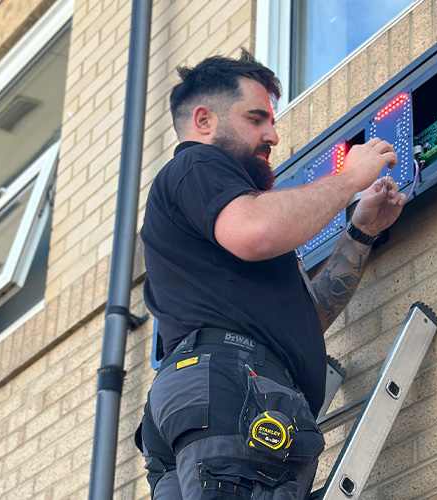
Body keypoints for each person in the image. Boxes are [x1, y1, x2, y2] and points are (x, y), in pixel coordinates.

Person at [137, 50, 405, 500]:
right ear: (204, 120)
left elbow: (303, 321)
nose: (273, 135)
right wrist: (348, 179)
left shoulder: (209, 228)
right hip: (232, 390)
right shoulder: (197, 165)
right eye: (256, 118)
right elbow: (256, 230)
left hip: (203, 398)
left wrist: (361, 233)